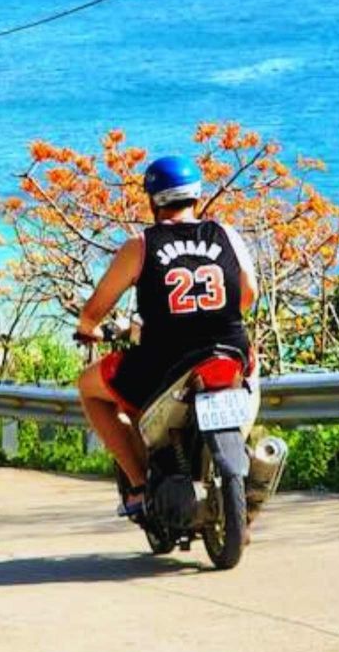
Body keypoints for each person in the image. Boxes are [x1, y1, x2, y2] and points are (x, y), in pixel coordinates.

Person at [74, 155, 258, 516]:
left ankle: (138, 488)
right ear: (196, 196)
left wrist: (88, 330)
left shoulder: (141, 246)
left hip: (166, 362)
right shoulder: (228, 234)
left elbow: (93, 312)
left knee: (88, 387)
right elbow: (249, 294)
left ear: (153, 200)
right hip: (232, 353)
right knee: (251, 365)